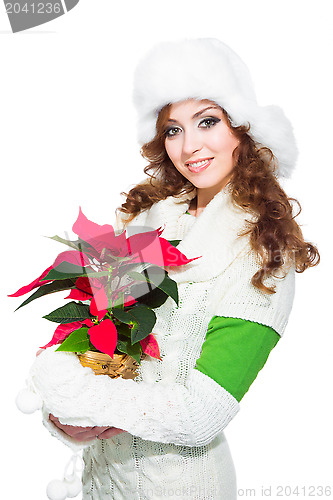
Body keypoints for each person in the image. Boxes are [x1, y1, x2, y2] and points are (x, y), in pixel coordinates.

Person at [29, 38, 319, 499]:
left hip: (178, 485)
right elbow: (97, 337)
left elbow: (203, 411)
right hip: (102, 480)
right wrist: (66, 416)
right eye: (172, 130)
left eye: (208, 122)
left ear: (242, 128)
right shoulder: (146, 222)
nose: (190, 147)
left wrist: (83, 404)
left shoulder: (265, 252)